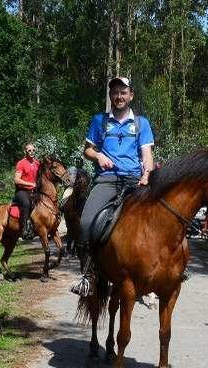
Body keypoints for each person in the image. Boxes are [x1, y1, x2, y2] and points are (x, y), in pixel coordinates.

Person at [70, 76, 155, 296]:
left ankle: (168, 268)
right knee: (87, 221)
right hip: (107, 180)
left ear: (131, 95)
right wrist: (98, 156)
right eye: (115, 93)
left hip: (134, 180)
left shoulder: (141, 123)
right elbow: (87, 150)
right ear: (110, 96)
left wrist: (146, 174)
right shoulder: (99, 121)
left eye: (123, 92)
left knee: (160, 216)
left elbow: (147, 154)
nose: (119, 96)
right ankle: (88, 275)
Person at [13, 143, 40, 238]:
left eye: (33, 150)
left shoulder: (37, 163)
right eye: (29, 150)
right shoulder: (21, 163)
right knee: (26, 203)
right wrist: (31, 184)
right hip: (22, 191)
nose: (31, 152)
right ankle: (23, 230)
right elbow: (16, 180)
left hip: (35, 190)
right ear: (25, 152)